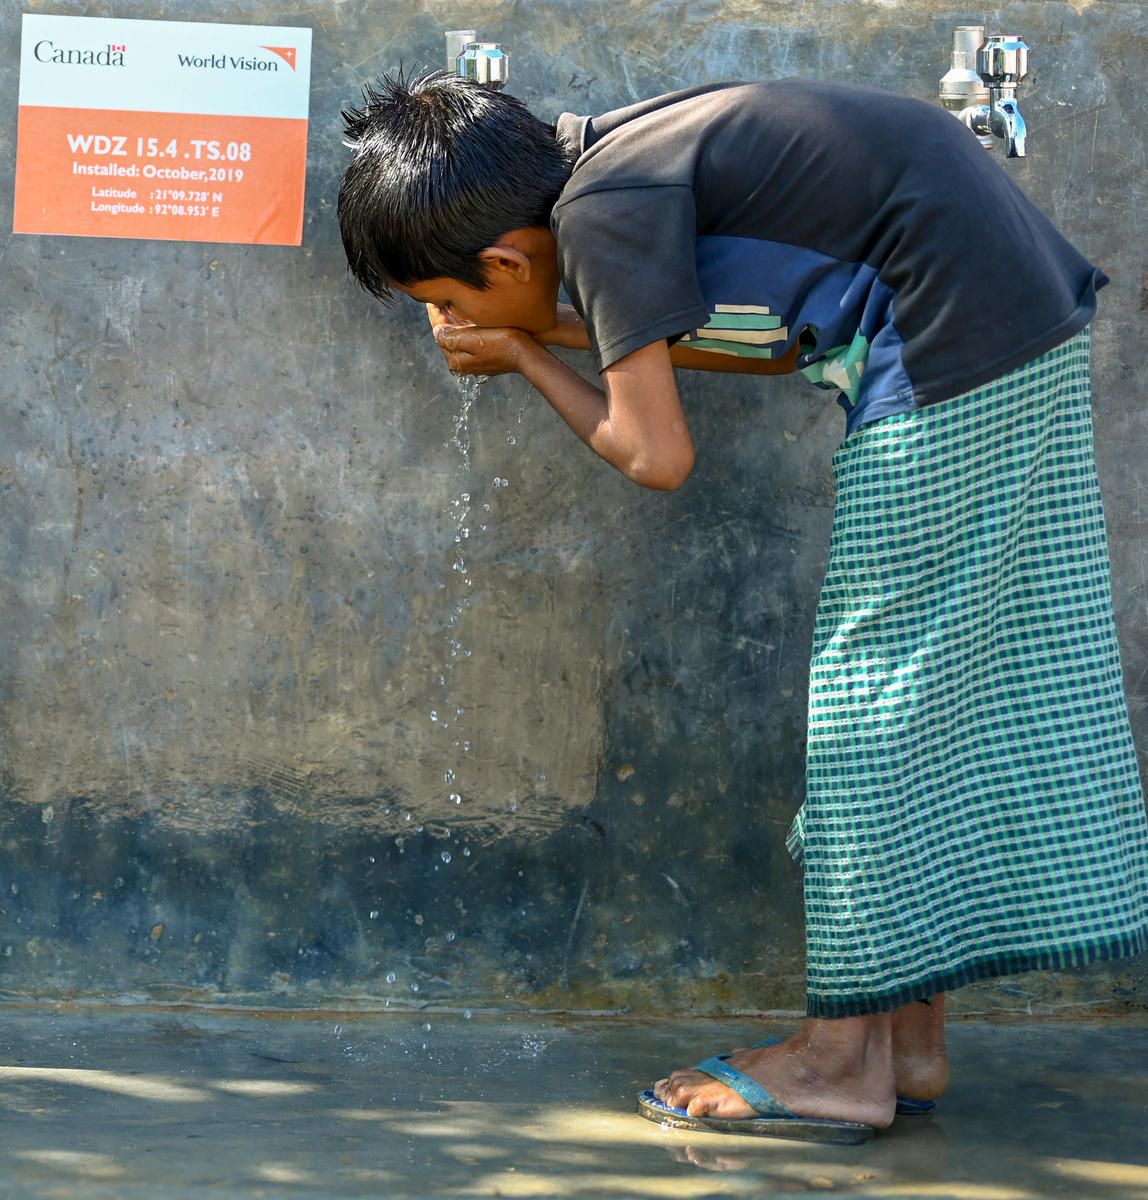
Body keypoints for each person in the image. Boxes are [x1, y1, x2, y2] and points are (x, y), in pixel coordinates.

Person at [337, 70, 1148, 1142]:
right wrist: (559, 336)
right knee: (917, 702)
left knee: (870, 709)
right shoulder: (601, 170)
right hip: (1000, 327)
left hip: (951, 353)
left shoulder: (594, 217)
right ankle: (904, 1040)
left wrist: (530, 353)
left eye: (448, 304)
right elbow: (774, 335)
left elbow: (653, 451)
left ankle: (837, 1060)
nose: (447, 327)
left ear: (505, 260)